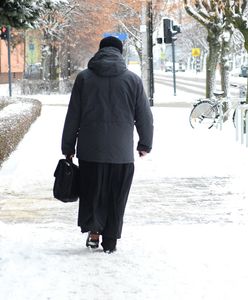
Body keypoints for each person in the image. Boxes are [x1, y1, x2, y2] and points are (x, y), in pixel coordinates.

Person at [61, 36, 153, 253]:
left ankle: (94, 232)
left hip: (90, 151)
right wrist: (145, 143)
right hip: (120, 153)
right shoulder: (133, 80)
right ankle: (110, 240)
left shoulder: (84, 78)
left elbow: (72, 115)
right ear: (120, 53)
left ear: (99, 51)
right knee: (116, 195)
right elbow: (144, 116)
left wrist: (68, 147)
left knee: (92, 193)